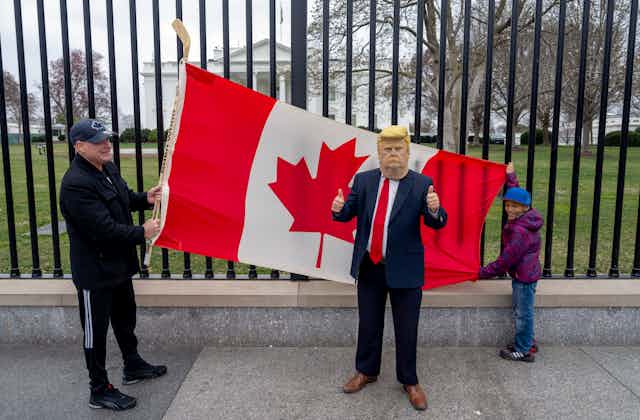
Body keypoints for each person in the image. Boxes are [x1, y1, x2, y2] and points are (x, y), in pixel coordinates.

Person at [331, 125, 447, 411]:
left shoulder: (421, 184)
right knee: (369, 323)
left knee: (407, 327)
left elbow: (437, 221)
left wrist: (434, 208)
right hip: (370, 266)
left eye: (398, 149)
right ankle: (366, 371)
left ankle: (409, 380)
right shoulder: (365, 181)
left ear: (407, 152)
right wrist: (338, 209)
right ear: (379, 153)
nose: (392, 154)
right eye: (387, 149)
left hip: (405, 268)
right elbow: (348, 213)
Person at [60, 118, 167, 410]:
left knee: (125, 318)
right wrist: (141, 233)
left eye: (107, 138)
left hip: (119, 266)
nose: (107, 144)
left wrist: (146, 198)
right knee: (96, 332)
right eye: (98, 141)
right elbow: (103, 229)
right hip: (95, 273)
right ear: (80, 147)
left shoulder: (106, 168)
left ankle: (132, 365)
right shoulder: (75, 185)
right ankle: (99, 389)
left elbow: (124, 199)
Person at [479, 162, 543, 362]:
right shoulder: (526, 218)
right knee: (522, 310)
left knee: (523, 314)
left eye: (514, 206)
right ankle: (528, 342)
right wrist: (511, 176)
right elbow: (517, 193)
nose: (509, 208)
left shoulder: (519, 231)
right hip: (526, 274)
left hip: (524, 277)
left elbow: (506, 260)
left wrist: (482, 273)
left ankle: (523, 350)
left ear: (525, 207)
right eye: (507, 204)